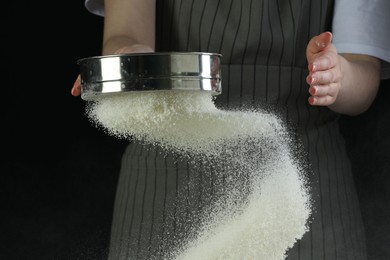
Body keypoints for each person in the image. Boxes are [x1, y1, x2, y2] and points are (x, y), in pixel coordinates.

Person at [71, 0, 390, 259]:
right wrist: (126, 65)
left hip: (306, 176)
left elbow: (362, 79)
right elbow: (125, 32)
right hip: (165, 172)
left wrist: (338, 76)